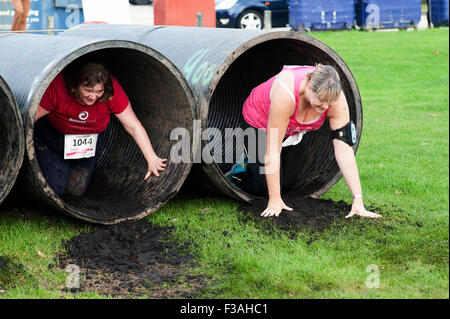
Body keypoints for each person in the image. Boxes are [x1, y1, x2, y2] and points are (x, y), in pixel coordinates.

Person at [230, 64, 381, 219]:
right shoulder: (286, 94)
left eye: (329, 103)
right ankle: (239, 170)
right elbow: (273, 150)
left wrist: (358, 199)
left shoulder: (334, 98)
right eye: (322, 101)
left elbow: (344, 148)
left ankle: (265, 175)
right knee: (263, 187)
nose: (326, 107)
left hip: (296, 129)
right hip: (259, 123)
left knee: (290, 183)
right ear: (309, 87)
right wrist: (275, 199)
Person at [34, 61, 166, 196]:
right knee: (54, 189)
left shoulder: (112, 92)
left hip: (89, 140)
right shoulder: (57, 87)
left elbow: (132, 125)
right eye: (88, 90)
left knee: (76, 190)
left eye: (98, 91)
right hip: (53, 136)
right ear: (75, 85)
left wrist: (151, 157)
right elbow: (31, 117)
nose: (93, 97)